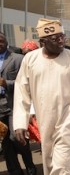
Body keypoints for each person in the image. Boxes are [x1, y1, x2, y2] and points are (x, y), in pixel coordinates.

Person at [13, 18, 70, 175]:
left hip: (68, 119)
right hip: (45, 119)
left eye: (62, 36)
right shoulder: (30, 60)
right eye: (55, 38)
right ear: (43, 41)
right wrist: (20, 123)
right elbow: (21, 92)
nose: (60, 41)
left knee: (61, 162)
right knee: (54, 156)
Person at [0, 32, 37, 175]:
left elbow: (27, 82)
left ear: (6, 41)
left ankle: (30, 166)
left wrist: (6, 83)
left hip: (13, 106)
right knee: (5, 141)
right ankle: (14, 170)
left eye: (1, 40)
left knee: (17, 138)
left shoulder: (18, 59)